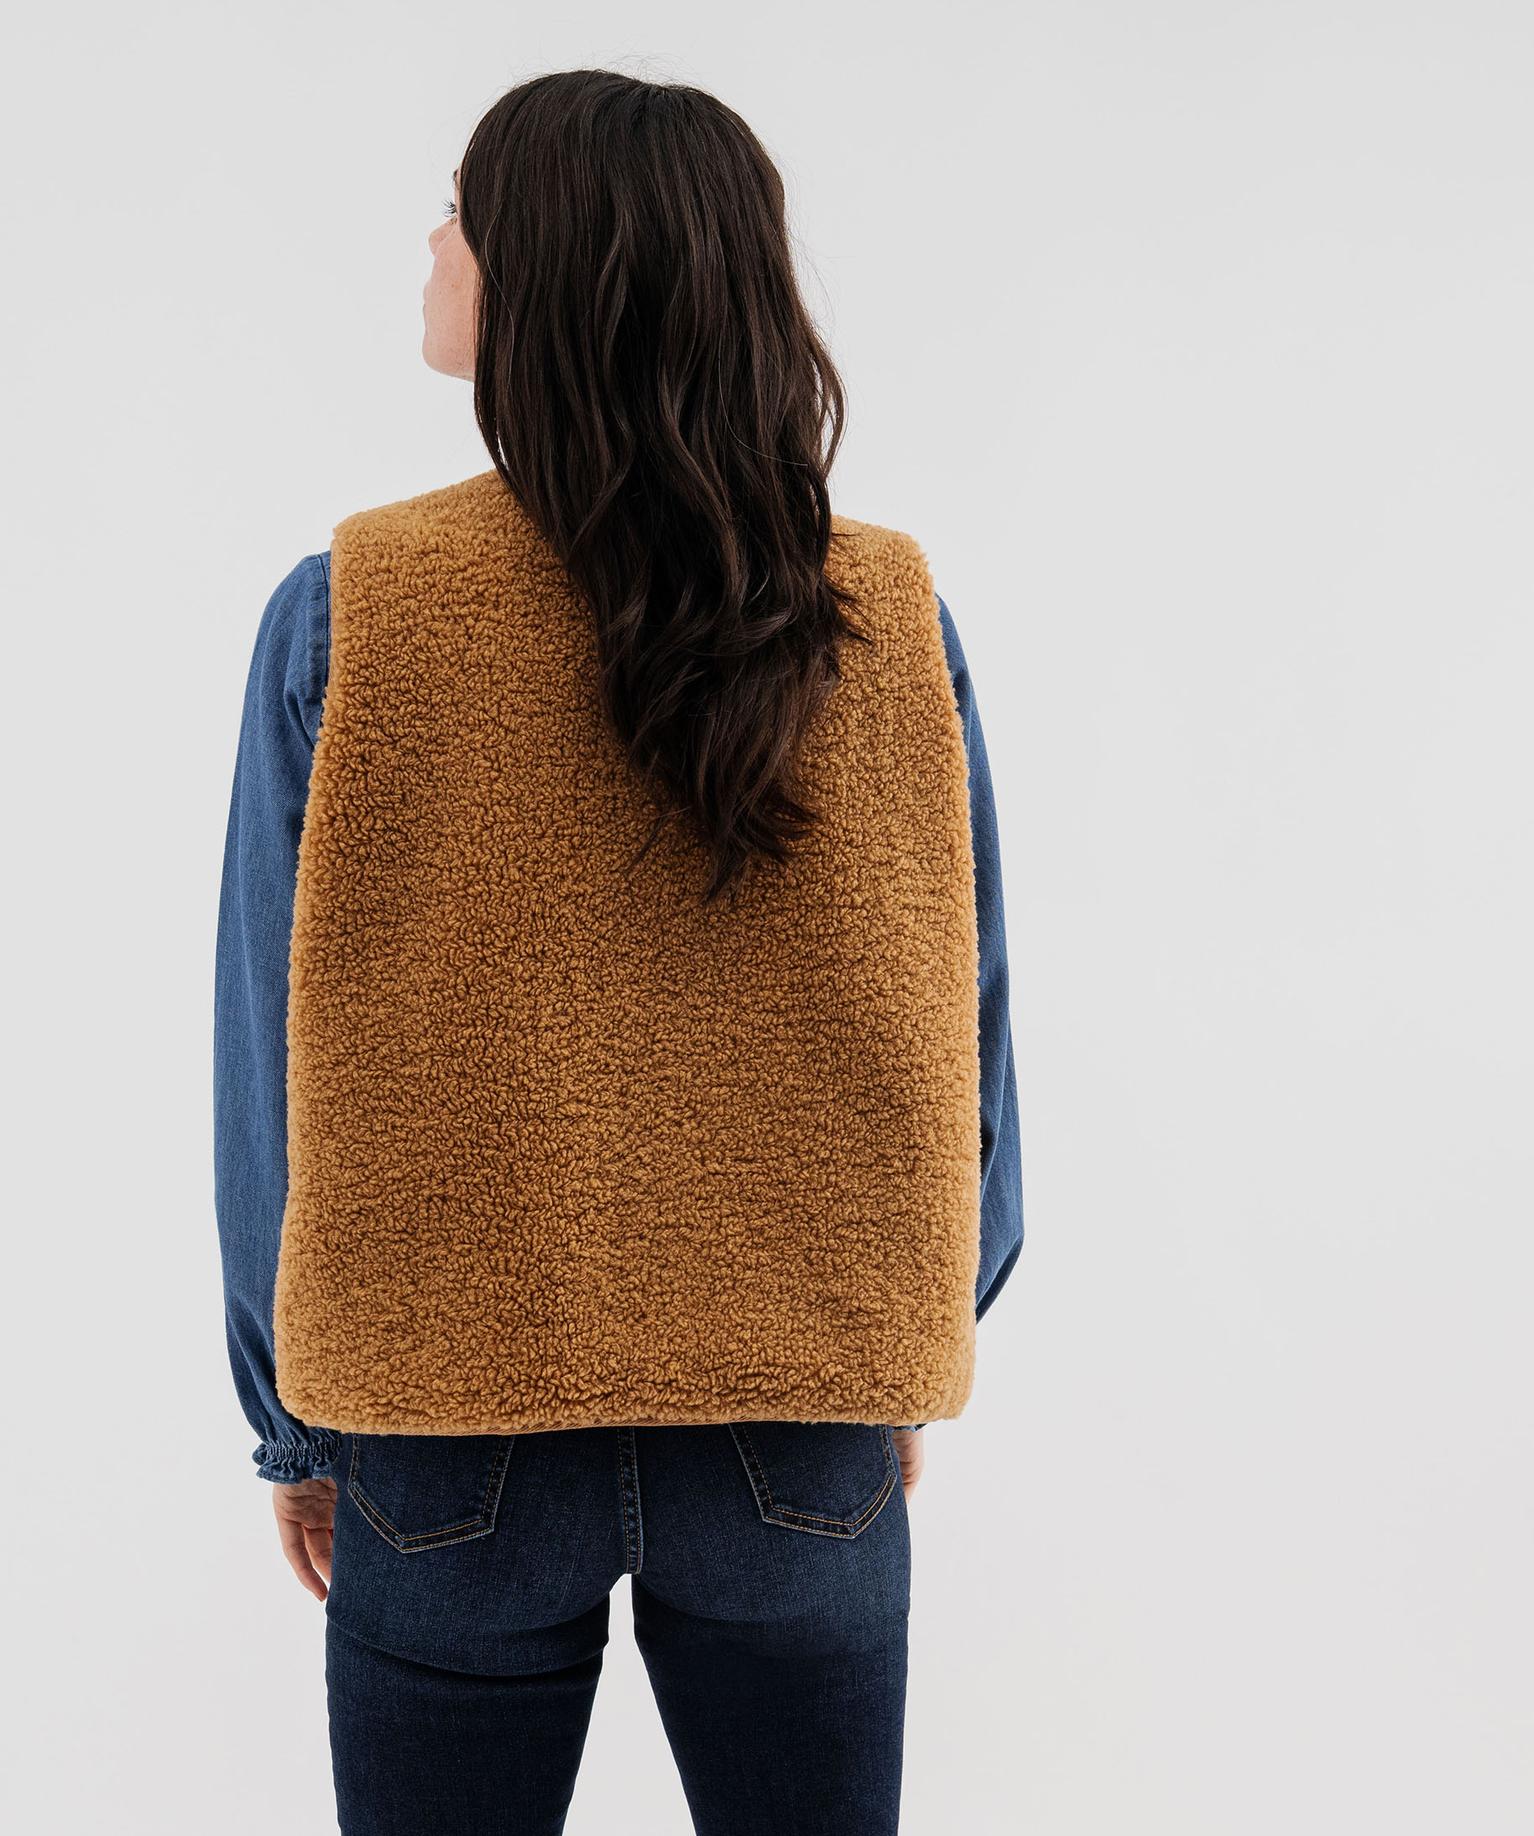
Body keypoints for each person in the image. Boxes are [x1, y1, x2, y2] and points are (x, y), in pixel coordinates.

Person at [213, 68, 1022, 1836]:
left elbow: (271, 1060)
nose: (433, 241)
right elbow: (956, 1014)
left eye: (461, 210)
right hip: (799, 1414)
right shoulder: (883, 609)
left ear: (544, 271)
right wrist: (899, 1331)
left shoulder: (349, 611)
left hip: (445, 1420)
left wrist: (294, 1417)